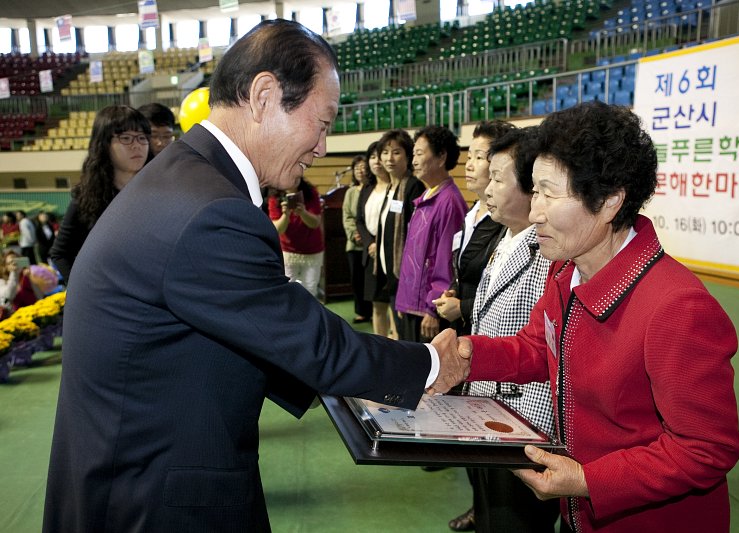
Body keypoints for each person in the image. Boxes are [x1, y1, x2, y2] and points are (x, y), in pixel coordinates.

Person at [43, 20, 470, 533]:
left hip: (138, 471)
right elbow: (305, 338)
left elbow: (241, 331)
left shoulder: (189, 178)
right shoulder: (208, 209)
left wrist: (346, 383)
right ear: (265, 95)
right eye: (323, 122)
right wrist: (425, 365)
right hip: (153, 498)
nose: (321, 146)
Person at [460, 102, 739, 532]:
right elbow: (539, 348)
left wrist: (589, 479)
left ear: (610, 201)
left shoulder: (677, 308)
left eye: (551, 194)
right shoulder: (566, 271)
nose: (535, 213)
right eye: (535, 192)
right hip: (581, 515)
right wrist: (464, 355)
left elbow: (705, 447)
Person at [450, 127, 559, 533]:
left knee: (513, 521)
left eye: (498, 178)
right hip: (486, 411)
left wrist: (532, 437)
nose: (487, 186)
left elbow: (541, 350)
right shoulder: (504, 237)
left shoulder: (546, 253)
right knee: (490, 514)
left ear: (532, 190)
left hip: (520, 425)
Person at [49, 105, 151, 285]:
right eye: (126, 138)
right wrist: (84, 292)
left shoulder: (159, 190)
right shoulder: (87, 199)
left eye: (142, 138)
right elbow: (61, 253)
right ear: (104, 144)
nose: (137, 145)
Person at [433, 121, 513, 338]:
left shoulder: (508, 223)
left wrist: (463, 307)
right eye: (469, 157)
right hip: (465, 329)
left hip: (491, 333)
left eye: (479, 157)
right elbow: (464, 269)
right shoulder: (470, 214)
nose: (468, 165)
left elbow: (504, 292)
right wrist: (454, 291)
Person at [395, 125, 467, 342]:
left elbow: (446, 260)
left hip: (428, 312)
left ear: (441, 156)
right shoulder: (426, 196)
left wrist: (432, 308)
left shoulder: (450, 202)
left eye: (419, 153)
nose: (413, 160)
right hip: (412, 306)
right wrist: (404, 300)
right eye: (413, 154)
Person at [373, 129, 426, 333]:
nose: (389, 158)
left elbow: (415, 236)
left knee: (406, 331)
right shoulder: (391, 187)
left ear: (408, 155)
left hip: (406, 277)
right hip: (391, 275)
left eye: (396, 152)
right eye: (385, 152)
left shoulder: (413, 186)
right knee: (398, 329)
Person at [356, 141, 398, 338]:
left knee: (394, 305)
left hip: (391, 254)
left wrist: (381, 243)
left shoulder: (397, 186)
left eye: (379, 156)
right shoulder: (366, 188)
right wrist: (369, 243)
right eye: (372, 157)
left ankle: (397, 344)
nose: (376, 161)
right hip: (372, 254)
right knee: (377, 305)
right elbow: (360, 221)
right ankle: (380, 345)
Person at [267, 177, 324, 296]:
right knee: (288, 289)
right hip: (288, 252)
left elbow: (315, 223)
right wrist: (285, 215)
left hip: (311, 250)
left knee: (310, 289)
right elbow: (278, 229)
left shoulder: (310, 193)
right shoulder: (275, 197)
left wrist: (303, 212)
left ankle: (309, 314)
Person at [342, 154, 372, 323]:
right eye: (356, 168)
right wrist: (354, 234)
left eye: (363, 167)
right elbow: (346, 216)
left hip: (372, 244)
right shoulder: (350, 192)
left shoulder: (374, 189)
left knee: (370, 280)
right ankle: (361, 311)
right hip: (354, 244)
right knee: (357, 279)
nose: (360, 171)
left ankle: (374, 310)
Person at [0, 249, 41, 315]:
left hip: (35, 312)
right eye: (11, 263)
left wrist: (30, 278)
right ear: (5, 266)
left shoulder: (27, 275)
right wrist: (13, 273)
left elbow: (40, 296)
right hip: (17, 317)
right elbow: (9, 295)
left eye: (16, 261)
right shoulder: (2, 281)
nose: (14, 265)